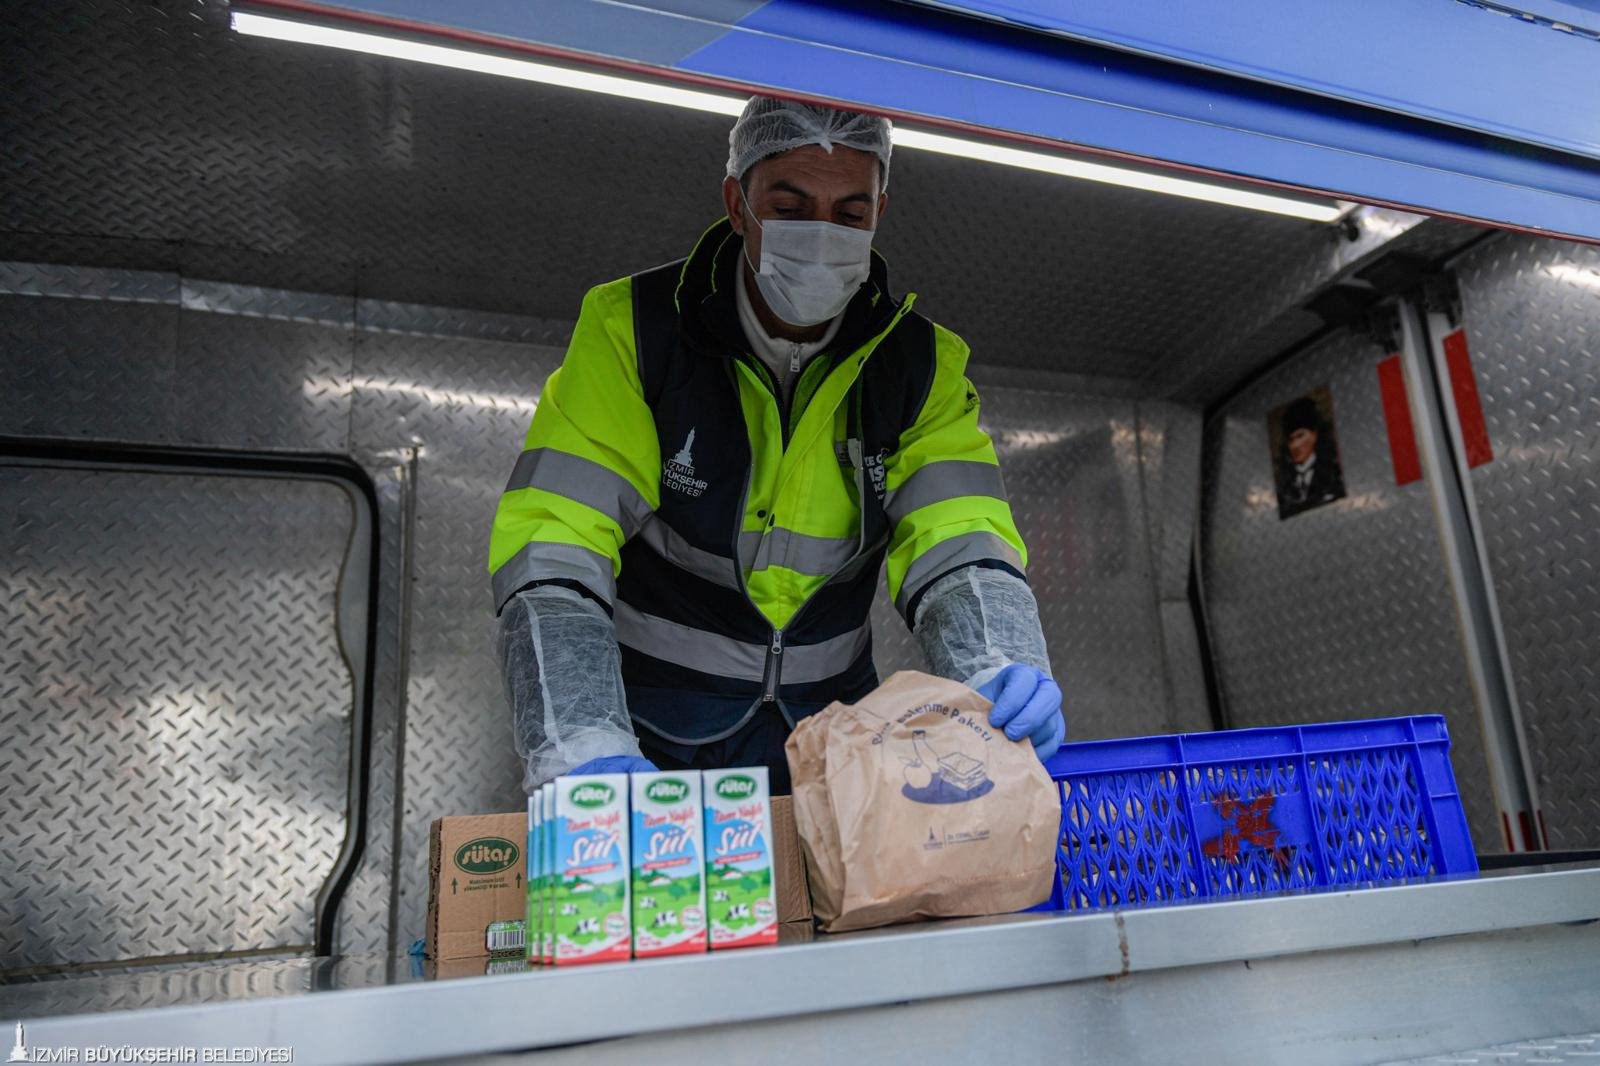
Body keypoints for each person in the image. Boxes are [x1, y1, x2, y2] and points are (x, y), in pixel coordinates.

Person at [488, 96, 1064, 794]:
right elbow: (555, 542)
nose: (821, 236)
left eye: (850, 214)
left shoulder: (918, 366)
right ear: (738, 204)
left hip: (833, 746)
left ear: (879, 211)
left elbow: (959, 536)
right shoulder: (635, 330)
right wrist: (582, 736)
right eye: (790, 208)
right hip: (651, 737)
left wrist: (997, 661)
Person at [1276, 396, 1346, 518]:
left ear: (1314, 435)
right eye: (1291, 440)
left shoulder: (1333, 474)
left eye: (1300, 436)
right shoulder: (1285, 485)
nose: (1295, 445)